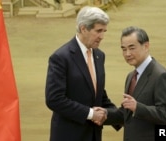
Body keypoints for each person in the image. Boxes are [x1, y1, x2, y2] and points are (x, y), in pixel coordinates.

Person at [45, 6, 119, 141]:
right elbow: (54, 99)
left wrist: (121, 117)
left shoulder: (99, 56)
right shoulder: (61, 57)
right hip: (69, 136)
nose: (102, 36)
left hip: (93, 136)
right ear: (83, 28)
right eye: (98, 31)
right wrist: (90, 114)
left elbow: (98, 95)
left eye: (104, 31)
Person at [105, 26, 166, 141]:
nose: (127, 54)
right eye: (124, 49)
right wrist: (104, 114)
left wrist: (138, 107)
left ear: (146, 46)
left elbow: (165, 114)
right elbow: (126, 113)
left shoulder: (160, 75)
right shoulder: (131, 76)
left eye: (132, 48)